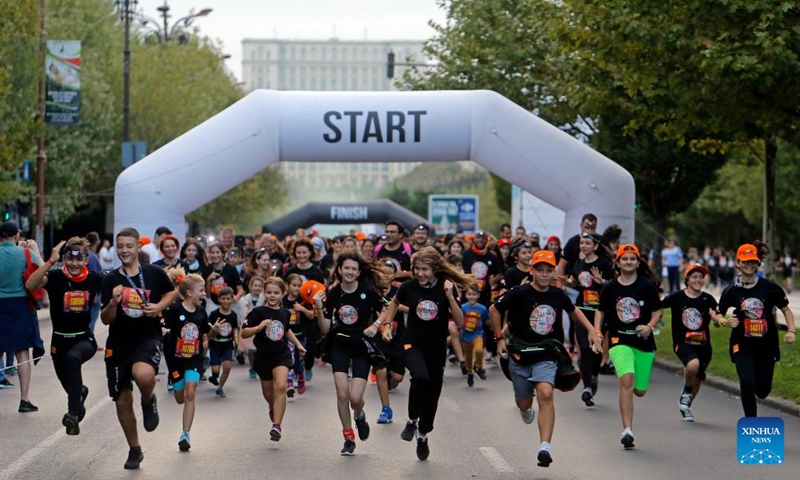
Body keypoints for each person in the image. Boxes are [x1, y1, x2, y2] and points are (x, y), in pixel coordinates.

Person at [491, 249, 600, 467]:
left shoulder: (557, 295)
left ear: (553, 272)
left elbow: (574, 311)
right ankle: (525, 408)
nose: (544, 274)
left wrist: (591, 330)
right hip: (520, 353)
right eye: (539, 270)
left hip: (547, 352)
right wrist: (499, 338)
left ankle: (545, 446)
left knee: (546, 392)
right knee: (523, 403)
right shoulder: (519, 292)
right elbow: (495, 309)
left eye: (548, 270)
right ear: (531, 270)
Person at [380, 247, 473, 461]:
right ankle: (412, 421)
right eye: (417, 269)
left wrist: (450, 297)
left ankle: (422, 435)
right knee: (419, 376)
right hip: (412, 343)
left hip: (436, 349)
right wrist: (387, 325)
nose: (420, 273)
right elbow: (394, 302)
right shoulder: (409, 287)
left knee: (432, 395)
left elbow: (460, 323)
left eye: (424, 269)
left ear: (435, 269)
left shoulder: (445, 289)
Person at [101, 227, 178, 469]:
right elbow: (105, 319)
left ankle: (148, 399)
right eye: (120, 246)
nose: (124, 250)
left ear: (138, 247)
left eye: (129, 246)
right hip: (118, 343)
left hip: (148, 336)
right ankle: (134, 449)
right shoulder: (111, 279)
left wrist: (158, 307)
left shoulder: (154, 273)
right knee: (122, 400)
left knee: (143, 374)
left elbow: (172, 292)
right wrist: (113, 302)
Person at [312, 252, 387, 455]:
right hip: (339, 345)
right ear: (340, 270)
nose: (350, 272)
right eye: (347, 268)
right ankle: (348, 438)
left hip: (361, 344)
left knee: (355, 398)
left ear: (359, 271)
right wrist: (319, 308)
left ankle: (359, 416)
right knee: (342, 394)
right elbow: (326, 328)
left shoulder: (367, 291)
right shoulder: (334, 293)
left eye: (354, 269)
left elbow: (385, 309)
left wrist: (376, 325)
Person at [25, 238, 102, 433]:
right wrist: (51, 260)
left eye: (79, 259)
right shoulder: (56, 277)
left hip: (84, 338)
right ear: (64, 259)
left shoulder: (94, 278)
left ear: (86, 260)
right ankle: (80, 394)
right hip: (59, 340)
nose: (74, 264)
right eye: (69, 258)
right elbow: (31, 284)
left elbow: (120, 280)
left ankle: (73, 415)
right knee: (67, 380)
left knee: (72, 359)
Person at [713, 242, 796, 417]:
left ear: (758, 263)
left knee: (763, 391)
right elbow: (717, 315)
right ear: (737, 263)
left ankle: (759, 393)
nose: (749, 265)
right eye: (745, 261)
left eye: (752, 261)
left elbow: (786, 310)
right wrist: (724, 323)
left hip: (767, 344)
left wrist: (791, 331)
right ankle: (751, 422)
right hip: (742, 344)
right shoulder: (731, 291)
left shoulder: (770, 287)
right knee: (746, 380)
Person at [593, 244, 662, 450]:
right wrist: (597, 333)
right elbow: (600, 312)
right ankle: (627, 430)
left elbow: (658, 311)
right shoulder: (610, 288)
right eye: (625, 259)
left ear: (638, 262)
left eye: (632, 259)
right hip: (618, 341)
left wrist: (649, 326)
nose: (629, 262)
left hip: (643, 343)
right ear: (618, 262)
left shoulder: (646, 286)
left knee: (639, 390)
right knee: (626, 379)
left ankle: (629, 421)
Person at [162, 273, 222, 451]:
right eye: (201, 290)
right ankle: (185, 429)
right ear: (189, 293)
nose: (205, 294)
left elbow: (206, 335)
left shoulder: (202, 313)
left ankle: (185, 434)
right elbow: (163, 325)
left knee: (190, 393)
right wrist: (164, 330)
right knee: (180, 398)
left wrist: (214, 332)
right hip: (175, 360)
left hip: (194, 358)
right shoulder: (174, 310)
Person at [242, 277, 307, 442]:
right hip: (263, 355)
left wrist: (298, 344)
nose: (272, 295)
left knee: (280, 386)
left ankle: (276, 425)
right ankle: (272, 406)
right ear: (264, 293)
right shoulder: (258, 312)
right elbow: (244, 333)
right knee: (268, 393)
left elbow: (286, 331)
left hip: (281, 354)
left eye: (276, 293)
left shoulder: (285, 313)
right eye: (269, 292)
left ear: (282, 294)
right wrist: (259, 327)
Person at [662, 263, 718, 422]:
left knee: (698, 378)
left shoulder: (708, 299)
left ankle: (686, 406)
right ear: (687, 279)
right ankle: (686, 390)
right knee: (693, 365)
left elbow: (717, 316)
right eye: (694, 277)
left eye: (701, 277)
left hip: (704, 345)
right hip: (683, 342)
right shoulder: (677, 297)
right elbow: (659, 306)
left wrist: (716, 319)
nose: (698, 280)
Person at [566, 232, 615, 407]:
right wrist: (566, 282)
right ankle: (587, 387)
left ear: (595, 246)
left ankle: (594, 375)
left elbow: (615, 284)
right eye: (581, 243)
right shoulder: (578, 263)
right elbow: (573, 281)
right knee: (584, 349)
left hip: (599, 312)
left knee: (596, 349)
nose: (583, 246)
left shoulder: (604, 263)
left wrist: (603, 282)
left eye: (587, 243)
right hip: (581, 311)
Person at [0, 221, 43, 413]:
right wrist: (35, 249)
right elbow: (44, 272)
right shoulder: (25, 254)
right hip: (20, 307)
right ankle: (24, 400)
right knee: (22, 354)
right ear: (17, 236)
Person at [372, 260, 407, 424]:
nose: (384, 277)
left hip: (397, 338)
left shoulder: (399, 291)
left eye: (388, 273)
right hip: (378, 340)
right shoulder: (373, 292)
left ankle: (392, 378)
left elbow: (411, 308)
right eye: (381, 273)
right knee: (380, 373)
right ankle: (386, 409)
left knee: (399, 377)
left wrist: (396, 306)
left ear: (394, 275)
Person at [461, 230, 502, 360]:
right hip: (468, 295)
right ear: (474, 239)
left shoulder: (491, 256)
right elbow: (459, 271)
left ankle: (492, 351)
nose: (480, 240)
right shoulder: (466, 254)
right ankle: (461, 351)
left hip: (485, 296)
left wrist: (494, 279)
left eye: (483, 238)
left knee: (489, 323)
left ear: (487, 240)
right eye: (477, 238)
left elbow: (500, 273)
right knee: (464, 322)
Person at [207, 287, 239, 397]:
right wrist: (209, 336)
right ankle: (214, 376)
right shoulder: (214, 314)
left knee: (227, 366)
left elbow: (235, 328)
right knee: (215, 369)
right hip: (215, 344)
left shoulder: (233, 315)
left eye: (228, 299)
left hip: (228, 344)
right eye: (223, 299)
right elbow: (209, 329)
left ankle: (220, 387)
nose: (226, 301)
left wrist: (236, 337)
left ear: (232, 299)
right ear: (219, 299)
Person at [461, 284, 489, 386]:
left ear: (478, 295)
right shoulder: (463, 307)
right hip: (465, 335)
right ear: (466, 295)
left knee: (479, 350)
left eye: (474, 294)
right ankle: (469, 372)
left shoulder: (482, 308)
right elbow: (459, 320)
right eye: (469, 294)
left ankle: (479, 367)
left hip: (478, 334)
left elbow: (486, 319)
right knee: (467, 356)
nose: (471, 296)